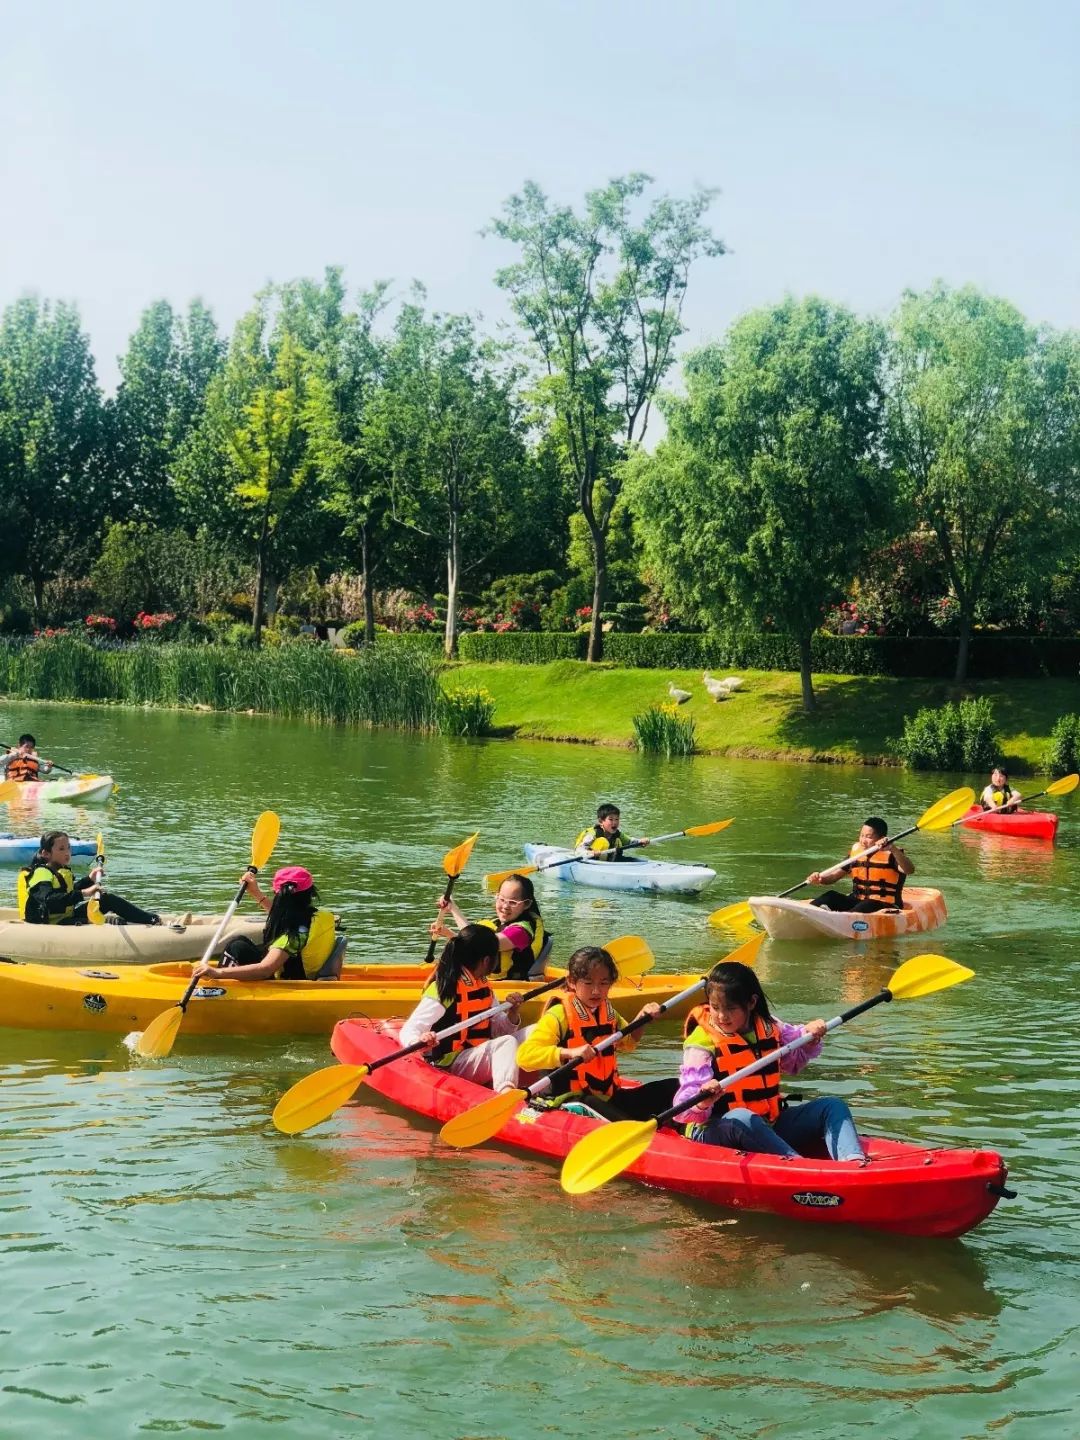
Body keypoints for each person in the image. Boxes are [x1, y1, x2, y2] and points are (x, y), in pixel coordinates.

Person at [676, 960, 864, 1161]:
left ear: (751, 1003)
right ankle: (798, 1167)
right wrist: (702, 1101)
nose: (722, 1016)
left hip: (769, 1124)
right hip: (715, 1130)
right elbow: (682, 1111)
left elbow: (793, 1064)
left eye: (730, 1008)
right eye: (715, 1007)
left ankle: (854, 1162)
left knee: (832, 1106)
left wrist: (810, 1037)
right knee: (742, 1117)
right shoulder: (701, 1043)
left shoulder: (769, 1027)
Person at [516, 945, 676, 1121]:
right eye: (588, 982)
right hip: (570, 1100)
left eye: (603, 983)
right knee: (603, 1109)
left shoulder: (607, 1012)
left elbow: (629, 1043)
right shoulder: (559, 1015)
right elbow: (525, 1057)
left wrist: (643, 1017)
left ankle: (685, 1128)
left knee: (674, 1087)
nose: (596, 991)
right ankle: (630, 1126)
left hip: (608, 1097)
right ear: (571, 982)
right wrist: (569, 1052)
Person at [399, 924, 525, 1093]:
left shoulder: (483, 985)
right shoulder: (444, 989)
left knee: (535, 1032)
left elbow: (498, 1030)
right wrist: (421, 1040)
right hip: (451, 1064)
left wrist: (513, 1012)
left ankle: (544, 1090)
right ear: (487, 960)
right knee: (507, 1043)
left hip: (476, 1055)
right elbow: (409, 1029)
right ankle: (506, 1095)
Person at [192, 866, 329, 981]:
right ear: (310, 892)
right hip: (306, 977)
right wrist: (255, 893)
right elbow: (283, 915)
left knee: (236, 946)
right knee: (241, 942)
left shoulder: (291, 937)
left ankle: (217, 989)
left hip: (289, 987)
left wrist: (217, 973)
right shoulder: (316, 916)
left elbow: (265, 969)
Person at [19, 830, 162, 927]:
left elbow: (67, 891)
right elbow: (50, 900)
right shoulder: (41, 873)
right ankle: (113, 921)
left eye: (68, 848)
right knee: (101, 915)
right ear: (46, 854)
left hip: (66, 917)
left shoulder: (59, 870)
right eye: (61, 849)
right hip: (50, 924)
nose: (67, 852)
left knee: (107, 899)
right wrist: (85, 893)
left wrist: (89, 879)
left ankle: (151, 919)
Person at [434, 873, 548, 980]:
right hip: (490, 982)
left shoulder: (520, 932)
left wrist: (453, 908)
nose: (505, 906)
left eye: (513, 902)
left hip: (510, 988)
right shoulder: (499, 923)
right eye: (501, 899)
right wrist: (449, 934)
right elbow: (474, 945)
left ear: (526, 904)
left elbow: (478, 942)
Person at [806, 816, 914, 913]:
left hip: (885, 904)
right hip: (857, 900)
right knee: (830, 896)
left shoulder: (892, 855)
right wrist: (820, 879)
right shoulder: (856, 853)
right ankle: (808, 914)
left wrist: (893, 849)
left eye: (868, 837)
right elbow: (834, 876)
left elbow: (909, 870)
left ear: (881, 838)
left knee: (867, 904)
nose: (863, 840)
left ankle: (839, 918)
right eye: (861, 835)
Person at [574, 803, 650, 861]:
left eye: (617, 819)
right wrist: (590, 853)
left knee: (618, 842)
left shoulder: (617, 834)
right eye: (611, 819)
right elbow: (578, 851)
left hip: (611, 862)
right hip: (591, 861)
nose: (615, 822)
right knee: (603, 841)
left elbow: (630, 842)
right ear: (601, 821)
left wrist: (641, 842)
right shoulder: (592, 834)